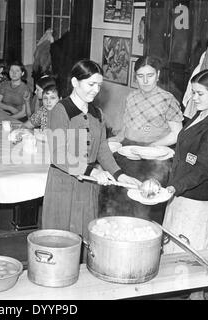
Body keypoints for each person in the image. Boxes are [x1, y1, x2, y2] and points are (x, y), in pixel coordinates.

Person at [42, 59, 141, 245]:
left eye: (99, 85)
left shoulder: (97, 114)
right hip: (63, 185)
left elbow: (102, 148)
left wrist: (119, 175)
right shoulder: (60, 111)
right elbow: (58, 154)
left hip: (88, 186)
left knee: (86, 236)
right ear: (74, 82)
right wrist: (92, 171)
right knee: (60, 240)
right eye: (91, 84)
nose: (96, 90)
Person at [162, 69, 208, 299]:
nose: (194, 98)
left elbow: (203, 168)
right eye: (193, 92)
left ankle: (194, 295)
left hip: (197, 201)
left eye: (200, 93)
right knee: (174, 253)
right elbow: (187, 153)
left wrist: (174, 187)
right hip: (181, 194)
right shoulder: (200, 114)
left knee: (191, 257)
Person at [110, 56, 183, 146]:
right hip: (128, 146)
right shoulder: (131, 97)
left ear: (158, 75)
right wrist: (118, 138)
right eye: (140, 76)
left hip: (155, 151)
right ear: (135, 77)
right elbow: (127, 126)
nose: (145, 81)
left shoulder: (167, 99)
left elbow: (177, 134)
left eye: (150, 75)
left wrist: (152, 146)